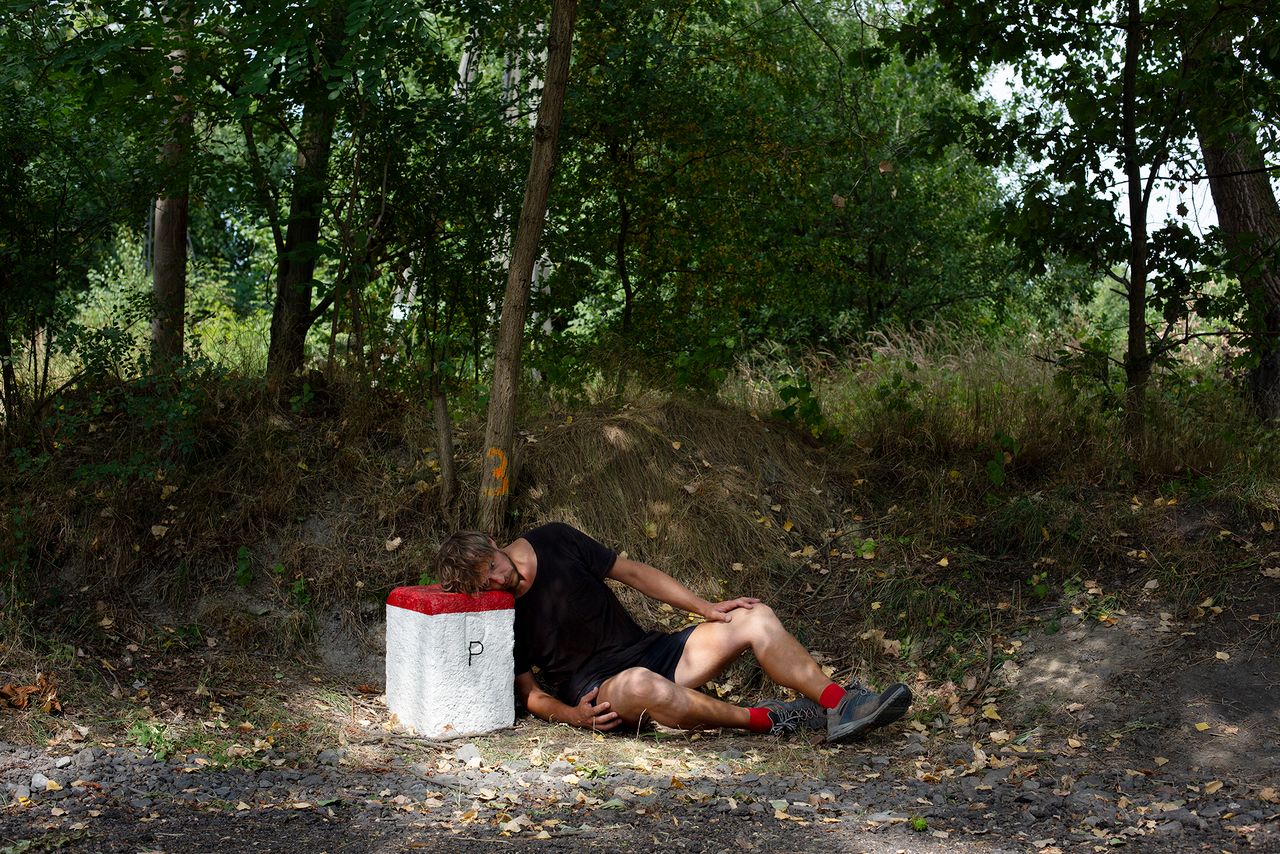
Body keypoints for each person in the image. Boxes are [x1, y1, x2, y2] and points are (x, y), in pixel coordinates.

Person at [434, 522, 911, 740]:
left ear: (495, 544)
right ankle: (771, 719)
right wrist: (573, 716)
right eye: (485, 582)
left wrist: (707, 607)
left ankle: (840, 704)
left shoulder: (553, 540)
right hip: (605, 692)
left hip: (654, 652)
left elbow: (635, 573)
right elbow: (530, 694)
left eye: (493, 566)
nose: (498, 580)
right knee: (642, 685)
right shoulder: (495, 613)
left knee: (755, 617)